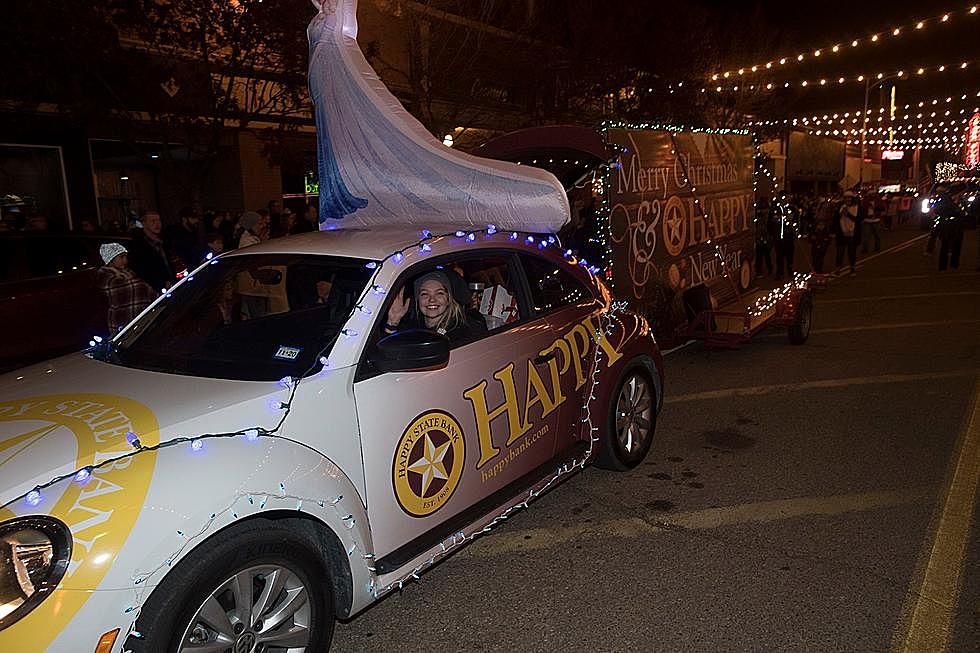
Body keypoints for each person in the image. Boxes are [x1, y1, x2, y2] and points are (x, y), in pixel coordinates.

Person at [384, 270, 486, 344]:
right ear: (417, 299)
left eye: (439, 293)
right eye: (425, 294)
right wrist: (392, 322)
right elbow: (391, 355)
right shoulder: (411, 326)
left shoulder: (460, 332)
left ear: (448, 299)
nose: (432, 300)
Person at [95, 243, 159, 334]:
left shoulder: (127, 272)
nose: (125, 261)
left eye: (126, 257)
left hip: (139, 319)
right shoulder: (106, 277)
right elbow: (135, 288)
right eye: (121, 257)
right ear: (111, 260)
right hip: (123, 322)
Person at [127, 211, 174, 291]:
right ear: (144, 223)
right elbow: (142, 271)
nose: (157, 224)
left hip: (171, 285)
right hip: (155, 290)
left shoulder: (164, 241)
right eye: (153, 221)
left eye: (158, 220)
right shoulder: (138, 246)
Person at [164, 206, 205, 271]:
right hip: (183, 268)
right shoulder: (174, 233)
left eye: (196, 218)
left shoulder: (193, 232)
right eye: (193, 218)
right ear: (184, 219)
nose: (196, 221)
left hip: (196, 266)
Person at [933, 187, 965, 271]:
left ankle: (953, 264)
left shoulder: (959, 200)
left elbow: (965, 210)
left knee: (955, 244)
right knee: (946, 245)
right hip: (948, 224)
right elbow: (938, 210)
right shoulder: (945, 200)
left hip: (955, 224)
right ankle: (945, 266)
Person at [835, 191, 862, 276]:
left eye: (849, 197)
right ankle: (838, 268)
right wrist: (840, 214)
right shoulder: (840, 207)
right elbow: (835, 219)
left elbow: (858, 220)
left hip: (852, 233)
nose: (848, 199)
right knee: (840, 252)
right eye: (846, 198)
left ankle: (852, 268)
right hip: (842, 232)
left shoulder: (857, 207)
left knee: (851, 252)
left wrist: (848, 214)